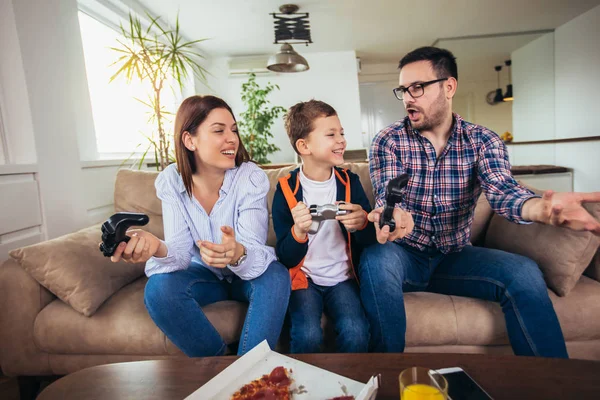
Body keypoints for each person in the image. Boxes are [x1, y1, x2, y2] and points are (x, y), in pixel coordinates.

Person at [361, 46, 600, 358]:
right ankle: (387, 376)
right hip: (403, 254)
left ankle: (552, 381)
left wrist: (539, 208)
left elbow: (502, 190)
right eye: (403, 90)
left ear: (449, 87)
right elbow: (390, 191)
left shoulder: (483, 140)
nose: (408, 98)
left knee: (524, 272)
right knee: (375, 261)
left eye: (417, 87)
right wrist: (395, 216)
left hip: (455, 256)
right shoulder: (388, 140)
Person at [110, 95, 290, 356]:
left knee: (276, 276)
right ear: (189, 140)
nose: (232, 138)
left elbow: (252, 245)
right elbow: (180, 252)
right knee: (159, 290)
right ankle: (222, 369)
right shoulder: (171, 181)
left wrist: (237, 252)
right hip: (204, 276)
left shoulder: (250, 176)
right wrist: (157, 247)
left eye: (234, 130)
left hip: (245, 273)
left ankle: (251, 374)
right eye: (219, 130)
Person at [272, 100, 376, 353]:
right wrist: (298, 232)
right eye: (331, 135)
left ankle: (350, 390)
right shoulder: (286, 189)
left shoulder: (350, 182)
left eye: (341, 133)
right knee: (307, 335)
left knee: (356, 332)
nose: (341, 140)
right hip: (304, 278)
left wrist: (362, 222)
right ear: (304, 146)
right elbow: (285, 256)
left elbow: (370, 240)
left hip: (343, 277)